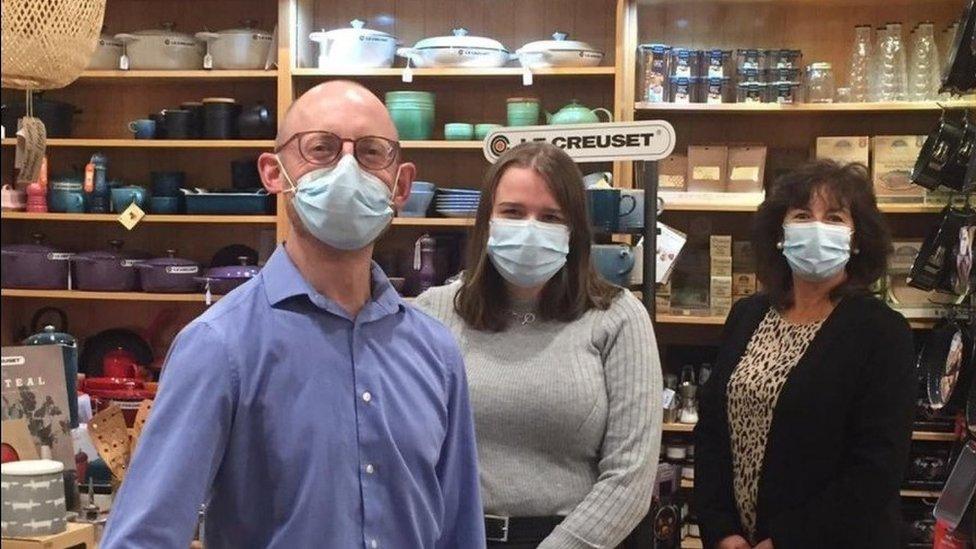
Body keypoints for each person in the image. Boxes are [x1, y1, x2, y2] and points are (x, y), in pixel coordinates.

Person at [101, 81, 485, 549]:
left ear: (401, 185)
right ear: (273, 172)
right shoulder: (220, 347)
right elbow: (142, 538)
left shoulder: (436, 351)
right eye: (320, 149)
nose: (347, 168)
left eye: (370, 153)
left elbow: (460, 531)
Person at [415, 142, 662, 548]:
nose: (529, 227)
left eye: (549, 217)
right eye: (512, 212)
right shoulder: (432, 314)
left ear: (574, 231)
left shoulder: (618, 318)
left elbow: (629, 478)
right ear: (487, 221)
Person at [694, 161, 915, 549]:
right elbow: (712, 431)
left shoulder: (882, 332)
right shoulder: (747, 315)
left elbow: (877, 469)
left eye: (834, 218)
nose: (816, 228)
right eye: (801, 215)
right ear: (780, 234)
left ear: (856, 238)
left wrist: (785, 539)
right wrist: (721, 529)